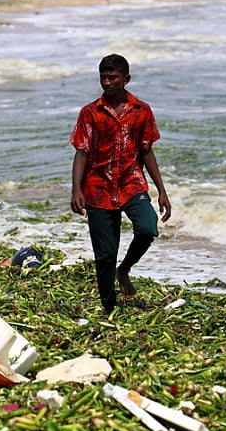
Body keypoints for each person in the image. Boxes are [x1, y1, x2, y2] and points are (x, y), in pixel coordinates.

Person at [70, 53, 171, 314]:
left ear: (126, 79)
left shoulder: (141, 111)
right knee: (104, 255)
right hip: (98, 188)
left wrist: (162, 191)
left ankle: (124, 268)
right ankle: (109, 308)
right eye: (103, 77)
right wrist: (76, 189)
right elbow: (81, 152)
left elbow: (147, 150)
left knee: (148, 228)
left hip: (131, 184)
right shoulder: (90, 113)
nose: (107, 82)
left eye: (112, 77)